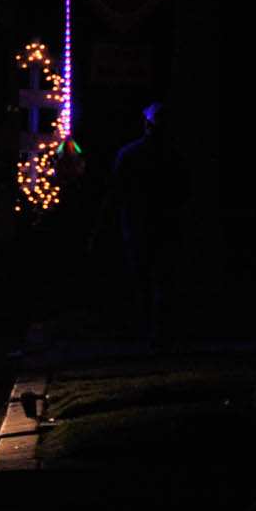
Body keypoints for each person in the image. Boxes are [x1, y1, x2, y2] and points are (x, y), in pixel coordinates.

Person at [108, 100, 187, 347]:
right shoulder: (173, 155)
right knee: (162, 278)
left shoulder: (130, 154)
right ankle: (159, 331)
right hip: (163, 223)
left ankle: (144, 330)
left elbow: (115, 191)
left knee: (141, 278)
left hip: (138, 223)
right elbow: (184, 191)